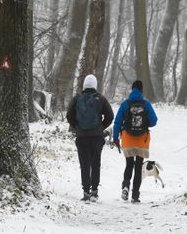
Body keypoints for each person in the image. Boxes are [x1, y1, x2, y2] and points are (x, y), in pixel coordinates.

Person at [66, 74, 114, 202]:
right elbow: (110, 115)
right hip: (97, 137)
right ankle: (94, 191)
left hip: (82, 136)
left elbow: (69, 115)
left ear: (84, 85)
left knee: (85, 164)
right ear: (95, 86)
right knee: (95, 163)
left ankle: (86, 192)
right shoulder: (101, 99)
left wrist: (77, 126)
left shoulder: (77, 98)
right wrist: (101, 127)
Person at [112, 80, 158, 203]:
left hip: (127, 139)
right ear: (141, 90)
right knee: (138, 168)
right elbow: (154, 120)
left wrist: (115, 137)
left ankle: (125, 187)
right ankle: (135, 195)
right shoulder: (146, 104)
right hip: (141, 141)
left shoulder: (125, 104)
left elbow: (117, 122)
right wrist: (144, 124)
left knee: (128, 165)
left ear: (132, 90)